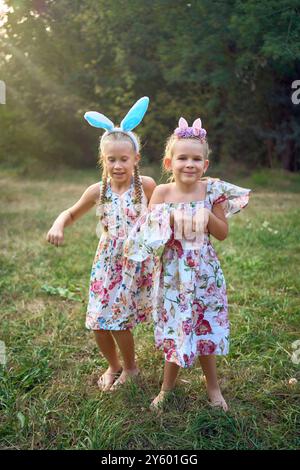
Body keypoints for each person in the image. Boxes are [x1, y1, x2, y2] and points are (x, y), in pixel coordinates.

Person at [122, 117, 251, 411]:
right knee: (177, 329)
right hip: (173, 275)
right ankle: (167, 388)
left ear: (205, 165)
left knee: (204, 327)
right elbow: (147, 237)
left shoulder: (211, 192)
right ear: (169, 163)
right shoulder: (163, 194)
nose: (189, 164)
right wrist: (165, 219)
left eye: (196, 159)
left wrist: (208, 218)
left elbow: (223, 233)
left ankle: (213, 388)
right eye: (182, 158)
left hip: (204, 273)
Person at [46, 97, 156, 392]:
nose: (118, 165)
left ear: (135, 159)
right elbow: (69, 213)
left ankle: (131, 369)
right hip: (107, 260)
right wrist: (59, 224)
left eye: (124, 158)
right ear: (103, 160)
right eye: (111, 159)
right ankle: (114, 365)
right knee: (98, 321)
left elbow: (162, 215)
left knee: (119, 320)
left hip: (135, 262)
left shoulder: (146, 185)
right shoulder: (98, 190)